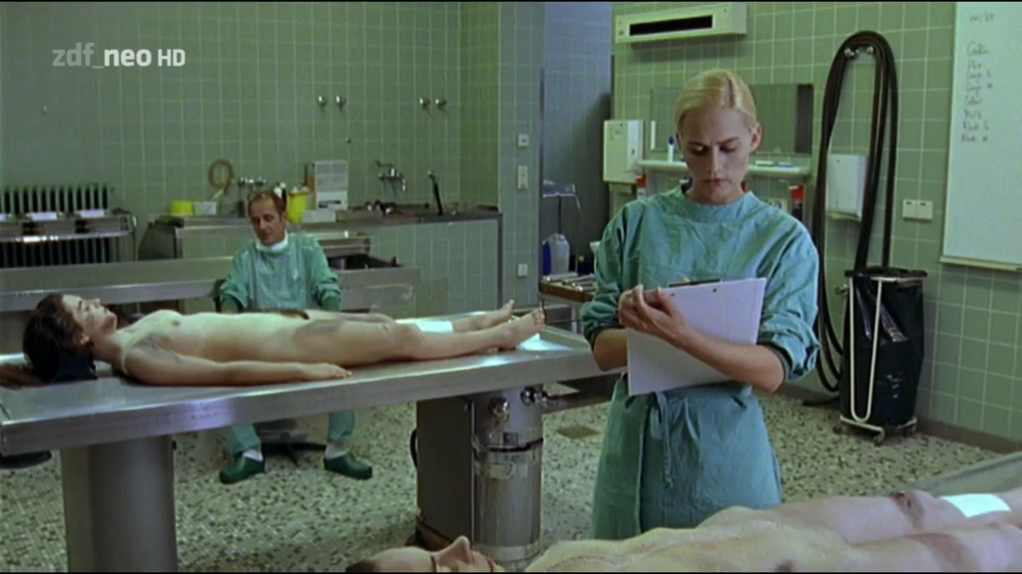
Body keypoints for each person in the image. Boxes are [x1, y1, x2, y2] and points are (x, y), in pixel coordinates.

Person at [580, 68, 821, 539]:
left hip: (723, 466)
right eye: (697, 150)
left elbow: (773, 370)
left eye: (729, 149)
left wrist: (682, 336)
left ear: (754, 138)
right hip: (634, 465)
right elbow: (601, 351)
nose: (714, 167)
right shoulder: (636, 224)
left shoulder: (782, 241)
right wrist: (641, 328)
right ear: (679, 143)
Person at [348, 486, 1022, 572]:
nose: (460, 546)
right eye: (439, 570)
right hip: (818, 566)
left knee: (920, 506)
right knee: (978, 548)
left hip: (767, 527)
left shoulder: (548, 566)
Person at [13, 294, 545, 390]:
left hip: (289, 322)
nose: (95, 303)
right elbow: (224, 374)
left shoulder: (135, 330)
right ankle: (500, 336)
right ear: (79, 337)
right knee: (397, 338)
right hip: (291, 347)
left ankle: (474, 325)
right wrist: (302, 372)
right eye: (84, 309)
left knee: (386, 322)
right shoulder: (137, 357)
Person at [215, 187, 369, 484]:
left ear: (284, 218)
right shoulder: (246, 257)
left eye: (269, 218)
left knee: (343, 366)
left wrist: (333, 320)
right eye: (256, 220)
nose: (263, 226)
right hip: (261, 339)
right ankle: (248, 451)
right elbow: (233, 291)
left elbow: (326, 285)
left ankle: (338, 450)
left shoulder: (307, 250)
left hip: (304, 335)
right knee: (225, 371)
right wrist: (227, 321)